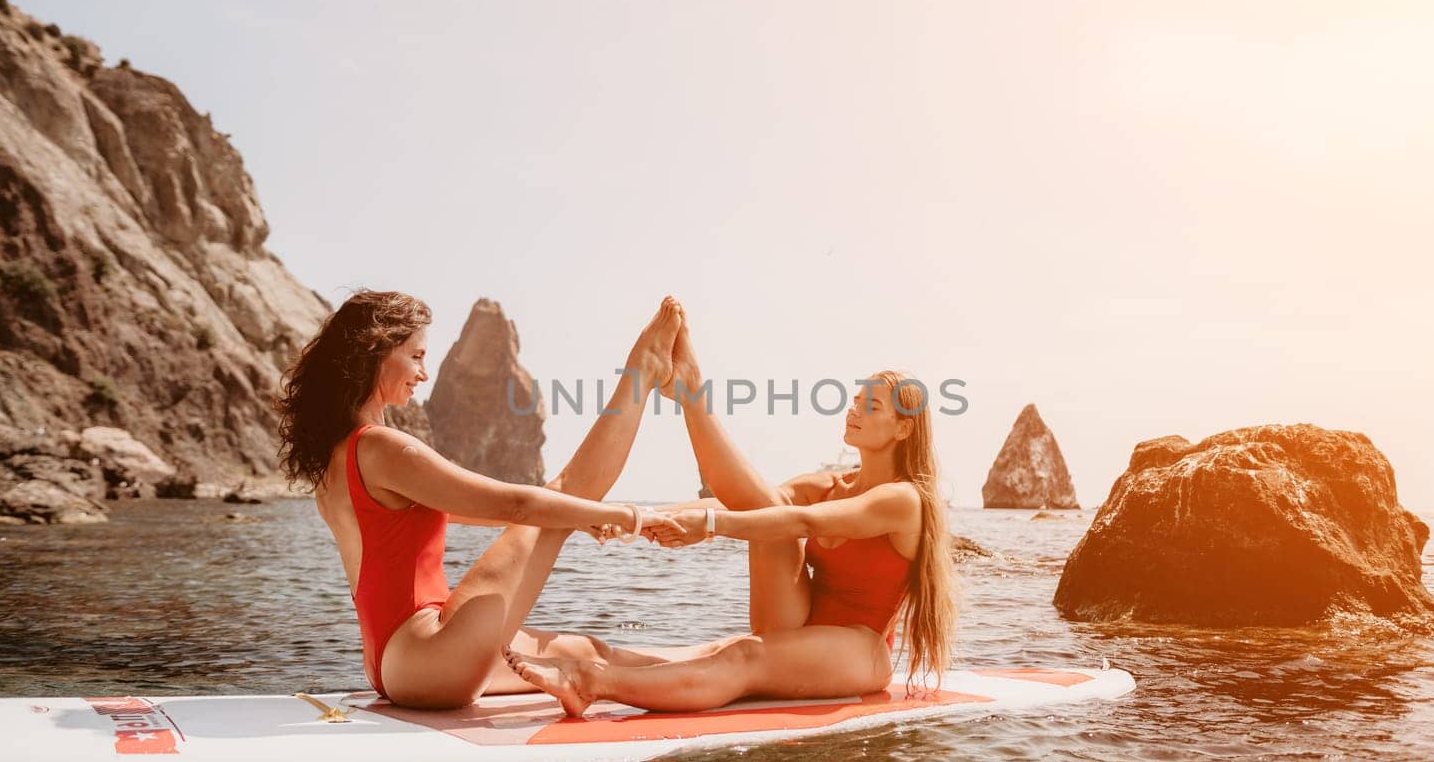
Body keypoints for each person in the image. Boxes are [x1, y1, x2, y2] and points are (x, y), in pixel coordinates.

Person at [505, 303, 959, 716]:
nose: (853, 411)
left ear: (903, 428)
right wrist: (637, 518)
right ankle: (690, 392)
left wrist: (707, 527)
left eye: (871, 405)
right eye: (855, 401)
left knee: (742, 655)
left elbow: (802, 522)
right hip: (795, 627)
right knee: (714, 625)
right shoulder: (831, 484)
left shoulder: (903, 499)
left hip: (859, 650)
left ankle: (588, 682)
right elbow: (741, 502)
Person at [275, 291, 687, 709]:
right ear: (376, 352)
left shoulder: (337, 459)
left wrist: (580, 518)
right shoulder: (380, 448)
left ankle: (720, 673)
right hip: (432, 656)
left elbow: (486, 513)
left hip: (396, 666)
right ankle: (643, 372)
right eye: (416, 356)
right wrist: (630, 517)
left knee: (588, 652)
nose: (423, 373)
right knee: (565, 489)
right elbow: (517, 507)